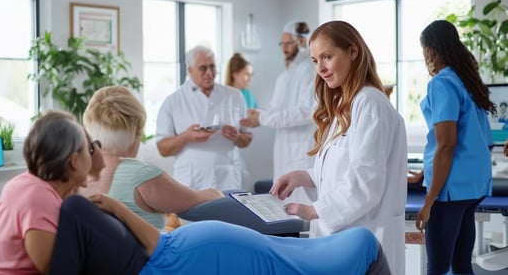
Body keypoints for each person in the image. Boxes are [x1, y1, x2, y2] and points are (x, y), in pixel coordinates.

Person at [269, 20, 407, 275]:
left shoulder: (370, 103)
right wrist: (302, 177)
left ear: (353, 52)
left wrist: (314, 210)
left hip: (366, 236)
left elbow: (366, 183)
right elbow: (341, 171)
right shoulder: (345, 106)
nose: (320, 68)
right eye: (314, 60)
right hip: (343, 238)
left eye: (327, 57)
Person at [48, 194, 392, 275]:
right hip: (350, 252)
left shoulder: (152, 254)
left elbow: (158, 245)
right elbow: (158, 249)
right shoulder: (156, 261)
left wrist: (117, 210)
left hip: (351, 250)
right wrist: (119, 209)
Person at [78, 85, 224, 230]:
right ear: (136, 135)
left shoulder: (75, 175)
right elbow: (198, 199)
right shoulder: (140, 175)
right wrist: (217, 193)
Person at [413, 20, 494, 275]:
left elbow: (446, 144)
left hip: (450, 191)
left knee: (437, 268)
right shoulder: (468, 82)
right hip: (474, 186)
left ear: (431, 49)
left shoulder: (442, 83)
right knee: (461, 265)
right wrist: (425, 173)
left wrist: (429, 200)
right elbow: (483, 141)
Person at [0, 110, 105, 274]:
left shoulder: (23, 182)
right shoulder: (39, 198)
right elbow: (55, 268)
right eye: (88, 150)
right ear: (74, 162)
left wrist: (78, 180)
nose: (92, 154)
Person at [156, 45, 252, 191]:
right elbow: (163, 149)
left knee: (228, 213)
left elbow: (247, 138)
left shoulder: (234, 96)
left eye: (212, 67)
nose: (209, 73)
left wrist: (237, 136)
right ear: (190, 70)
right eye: (203, 68)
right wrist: (185, 137)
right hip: (191, 182)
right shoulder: (173, 102)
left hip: (227, 179)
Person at [240, 21, 316, 204]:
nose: (284, 48)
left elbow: (306, 112)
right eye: (282, 44)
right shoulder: (284, 76)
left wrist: (263, 117)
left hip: (302, 150)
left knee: (303, 207)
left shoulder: (310, 70)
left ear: (302, 41)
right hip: (284, 151)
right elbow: (276, 111)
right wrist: (257, 116)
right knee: (284, 205)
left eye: (288, 43)